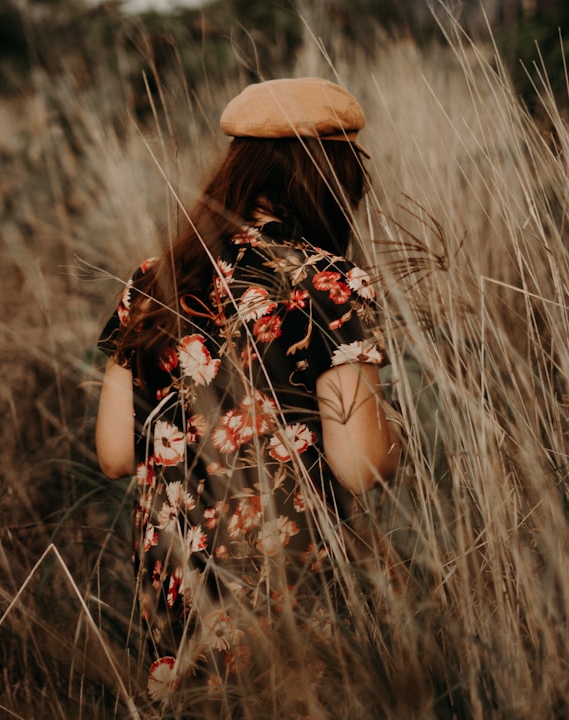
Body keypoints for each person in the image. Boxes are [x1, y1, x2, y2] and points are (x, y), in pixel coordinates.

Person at [94, 77, 401, 711]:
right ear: (332, 175)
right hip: (281, 564)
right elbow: (359, 464)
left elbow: (117, 457)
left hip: (171, 565)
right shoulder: (325, 281)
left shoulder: (154, 278)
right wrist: (394, 432)